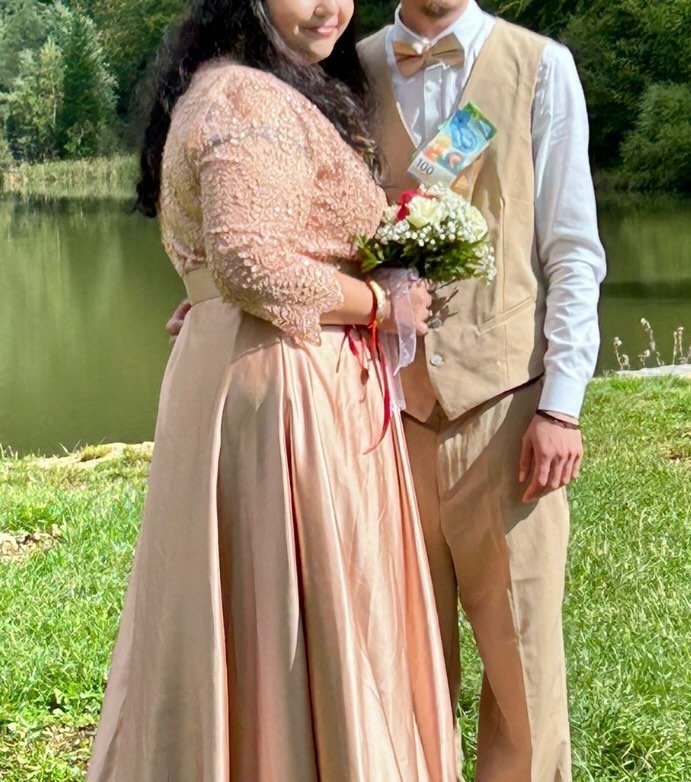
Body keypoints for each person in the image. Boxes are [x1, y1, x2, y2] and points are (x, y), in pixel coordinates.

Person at [85, 0, 458, 779]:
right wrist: (381, 303)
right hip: (287, 388)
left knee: (262, 614)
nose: (329, 7)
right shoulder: (247, 97)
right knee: (294, 611)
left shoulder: (237, 85)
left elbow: (238, 259)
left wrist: (219, 305)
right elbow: (251, 260)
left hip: (258, 366)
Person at [357, 1, 607, 779]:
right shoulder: (349, 67)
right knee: (398, 667)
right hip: (383, 416)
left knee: (523, 663)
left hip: (506, 412)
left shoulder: (541, 66)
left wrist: (561, 404)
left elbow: (572, 250)